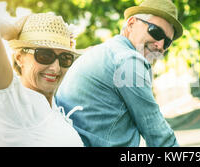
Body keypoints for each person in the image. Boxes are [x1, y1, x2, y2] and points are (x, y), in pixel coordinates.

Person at [55, 0, 183, 147]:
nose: (160, 46)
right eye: (156, 32)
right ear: (131, 23)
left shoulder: (104, 51)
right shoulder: (129, 60)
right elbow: (156, 131)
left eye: (167, 42)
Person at [0, 13, 84, 146]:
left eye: (65, 58)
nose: (56, 68)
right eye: (45, 56)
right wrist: (15, 31)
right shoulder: (15, 103)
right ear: (19, 58)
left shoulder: (51, 105)